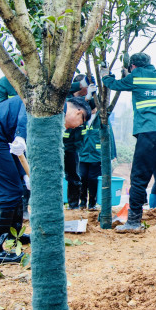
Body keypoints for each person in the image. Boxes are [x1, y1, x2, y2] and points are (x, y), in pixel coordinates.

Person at [0, 96, 90, 263]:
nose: (74, 128)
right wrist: (20, 135)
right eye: (80, 123)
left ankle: (14, 236)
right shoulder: (54, 103)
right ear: (79, 112)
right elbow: (27, 108)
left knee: (17, 188)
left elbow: (20, 151)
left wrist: (24, 174)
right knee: (8, 192)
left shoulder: (55, 109)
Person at [101, 53, 156, 231]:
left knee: (139, 177)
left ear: (133, 66)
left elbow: (114, 85)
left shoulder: (135, 76)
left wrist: (106, 74)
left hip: (149, 133)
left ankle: (134, 222)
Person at [78, 104, 116, 210]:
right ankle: (82, 202)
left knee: (93, 179)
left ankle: (92, 203)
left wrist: (112, 155)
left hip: (97, 156)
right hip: (83, 155)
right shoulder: (82, 118)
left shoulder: (102, 119)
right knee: (82, 177)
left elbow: (110, 136)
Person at [63, 74, 92, 209]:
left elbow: (92, 107)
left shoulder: (86, 101)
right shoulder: (66, 98)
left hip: (73, 146)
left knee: (73, 175)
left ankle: (73, 205)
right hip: (59, 143)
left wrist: (90, 96)